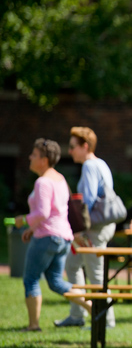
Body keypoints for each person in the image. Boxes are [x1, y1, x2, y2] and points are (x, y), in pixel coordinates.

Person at [15, 138, 91, 332]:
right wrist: (32, 229)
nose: (30, 158)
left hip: (47, 237)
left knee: (31, 279)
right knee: (56, 282)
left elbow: (43, 213)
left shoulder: (43, 182)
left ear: (44, 160)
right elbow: (56, 211)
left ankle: (33, 325)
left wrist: (23, 220)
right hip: (63, 237)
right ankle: (92, 306)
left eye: (34, 155)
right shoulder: (60, 179)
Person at [55, 127, 116, 328]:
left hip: (93, 229)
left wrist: (79, 230)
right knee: (72, 264)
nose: (70, 151)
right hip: (100, 227)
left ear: (85, 146)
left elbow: (87, 201)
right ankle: (77, 314)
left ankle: (105, 321)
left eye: (73, 147)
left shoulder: (90, 166)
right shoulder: (101, 164)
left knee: (96, 275)